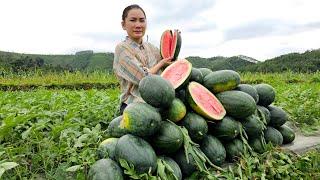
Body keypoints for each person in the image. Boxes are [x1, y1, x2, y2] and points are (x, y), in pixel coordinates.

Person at [113, 4, 173, 114]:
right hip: (134, 106)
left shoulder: (152, 48)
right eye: (133, 20)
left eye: (142, 20)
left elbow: (169, 68)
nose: (138, 25)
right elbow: (145, 79)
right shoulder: (122, 49)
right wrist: (161, 63)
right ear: (123, 25)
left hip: (159, 102)